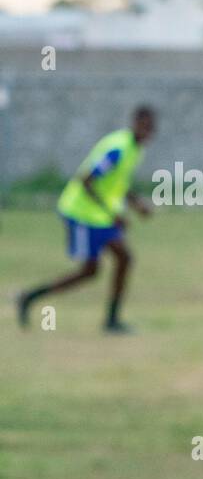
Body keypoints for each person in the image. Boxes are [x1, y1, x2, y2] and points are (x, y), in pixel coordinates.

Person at [16, 106, 156, 334]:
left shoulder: (136, 150)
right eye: (143, 126)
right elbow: (87, 180)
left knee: (119, 260)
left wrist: (136, 203)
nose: (147, 132)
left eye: (150, 129)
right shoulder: (118, 148)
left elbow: (116, 183)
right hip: (80, 213)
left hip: (98, 215)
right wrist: (114, 214)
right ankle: (29, 297)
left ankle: (111, 320)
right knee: (92, 270)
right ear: (134, 123)